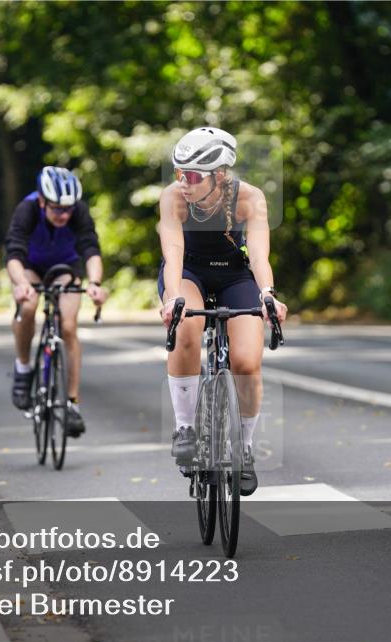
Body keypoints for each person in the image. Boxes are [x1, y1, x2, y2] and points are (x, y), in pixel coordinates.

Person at [158, 127, 288, 496]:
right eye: (179, 172)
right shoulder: (173, 198)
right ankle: (185, 427)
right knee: (186, 328)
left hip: (235, 274)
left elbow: (260, 256)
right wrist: (172, 299)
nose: (184, 182)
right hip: (189, 272)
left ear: (219, 175)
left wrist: (267, 295)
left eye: (193, 175)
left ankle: (243, 449)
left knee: (247, 361)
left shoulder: (250, 198)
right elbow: (173, 254)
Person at [5, 166, 108, 436]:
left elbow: (90, 248)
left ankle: (72, 403)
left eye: (68, 210)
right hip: (30, 266)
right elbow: (14, 253)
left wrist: (95, 284)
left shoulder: (78, 210)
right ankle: (24, 367)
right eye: (56, 209)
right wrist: (22, 284)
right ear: (42, 201)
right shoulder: (27, 210)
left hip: (65, 267)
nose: (63, 215)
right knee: (27, 307)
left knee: (69, 326)